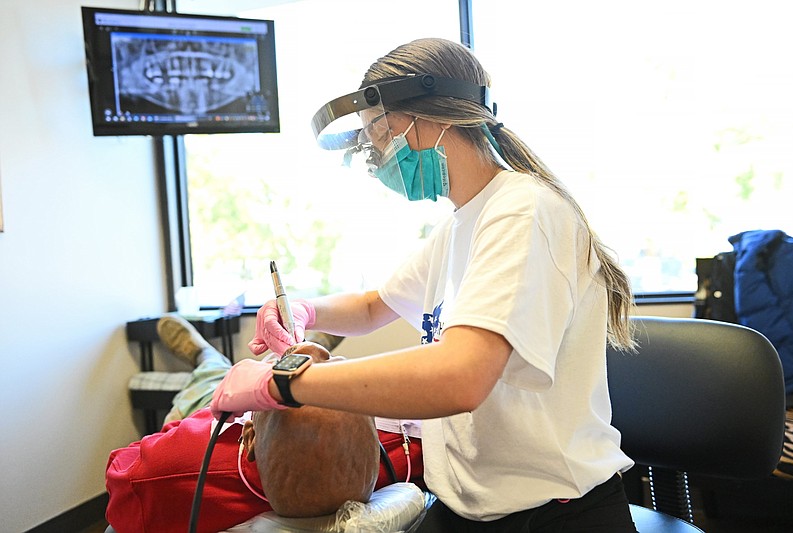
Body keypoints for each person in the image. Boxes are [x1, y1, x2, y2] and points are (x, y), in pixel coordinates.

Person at [211, 37, 639, 532]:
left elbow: (462, 375)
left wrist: (281, 384)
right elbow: (375, 306)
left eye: (382, 135)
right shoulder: (462, 222)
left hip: (553, 514)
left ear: (436, 119)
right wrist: (307, 311)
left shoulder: (523, 212)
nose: (376, 158)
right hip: (469, 508)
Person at [105, 315, 424, 533]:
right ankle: (301, 346)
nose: (327, 358)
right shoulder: (405, 453)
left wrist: (202, 417)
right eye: (330, 365)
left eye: (325, 362)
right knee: (292, 362)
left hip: (208, 406)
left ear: (248, 434)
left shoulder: (174, 468)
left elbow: (122, 470)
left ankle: (204, 355)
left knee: (208, 380)